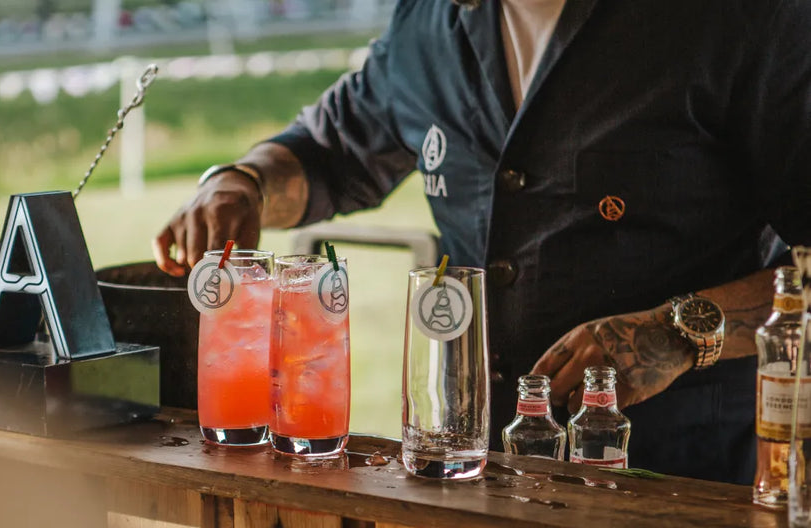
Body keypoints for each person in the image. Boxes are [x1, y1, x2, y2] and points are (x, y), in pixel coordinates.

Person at [152, 0, 811, 484]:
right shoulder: (430, 25)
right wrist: (242, 183)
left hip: (689, 487)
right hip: (482, 475)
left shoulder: (742, 19)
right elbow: (331, 149)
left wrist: (675, 332)